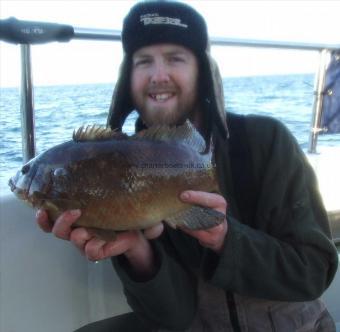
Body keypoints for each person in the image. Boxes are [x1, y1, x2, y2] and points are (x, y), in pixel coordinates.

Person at [36, 1, 339, 331]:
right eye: (143, 61)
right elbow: (174, 317)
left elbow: (314, 271)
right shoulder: (121, 165)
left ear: (202, 69)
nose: (158, 75)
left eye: (175, 58)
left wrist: (226, 238)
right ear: (128, 76)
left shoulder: (266, 141)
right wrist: (138, 252)